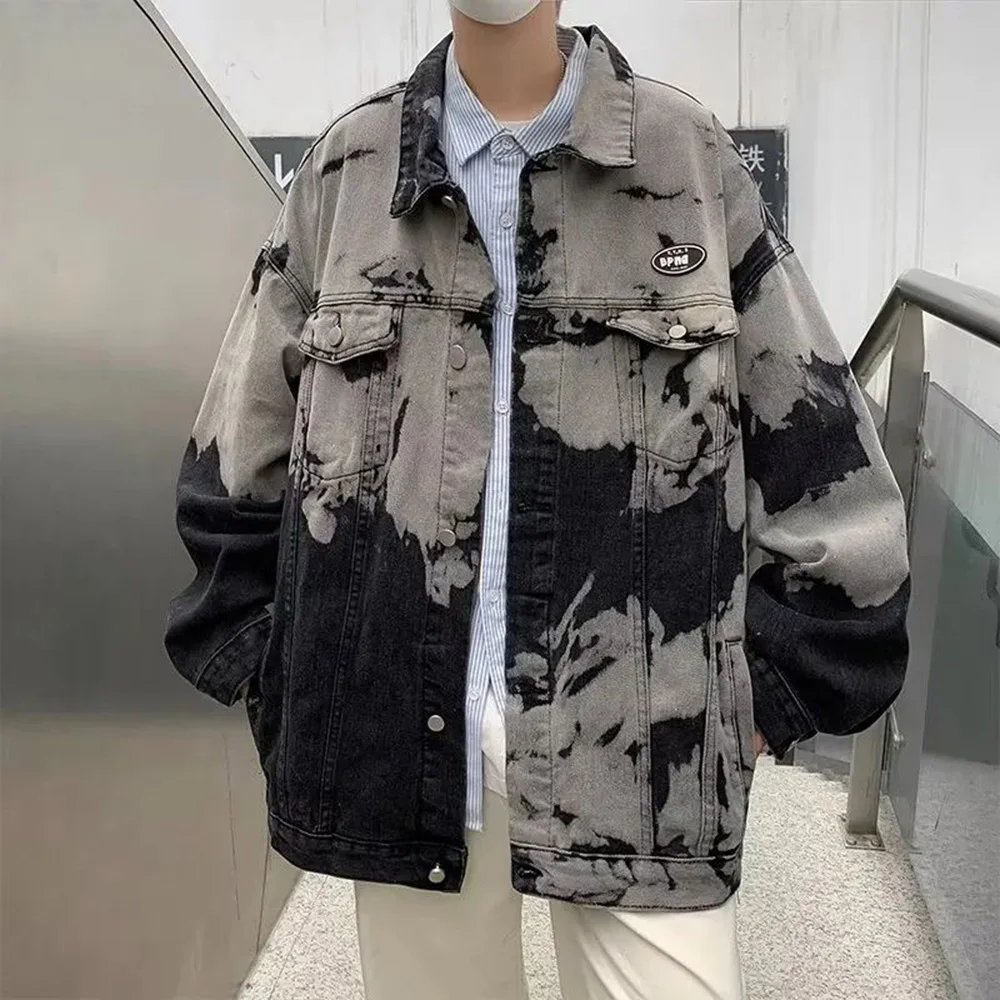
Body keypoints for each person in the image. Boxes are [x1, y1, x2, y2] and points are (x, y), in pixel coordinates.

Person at [165, 1, 911, 996]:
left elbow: (832, 468)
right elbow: (233, 462)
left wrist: (757, 703)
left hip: (641, 759)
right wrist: (290, 681)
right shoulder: (349, 173)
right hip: (402, 744)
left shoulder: (686, 158)